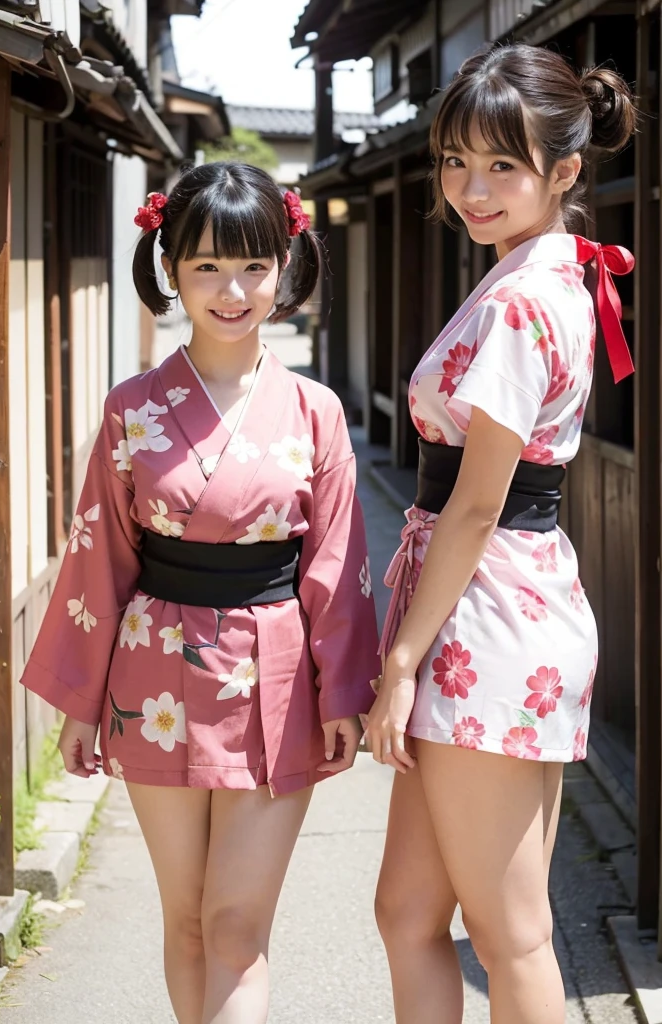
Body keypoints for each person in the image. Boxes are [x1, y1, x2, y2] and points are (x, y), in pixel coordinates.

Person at [21, 162, 380, 1024]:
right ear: (171, 266)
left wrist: (346, 692)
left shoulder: (315, 411)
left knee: (234, 928)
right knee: (184, 923)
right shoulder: (131, 408)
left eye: (255, 264)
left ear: (286, 268)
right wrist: (80, 701)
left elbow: (336, 559)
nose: (233, 288)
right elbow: (99, 555)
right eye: (209, 265)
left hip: (277, 676)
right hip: (153, 679)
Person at [366, 43, 636, 1024]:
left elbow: (476, 502)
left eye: (500, 167)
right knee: (404, 909)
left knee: (509, 930)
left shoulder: (522, 297)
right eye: (453, 162)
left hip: (485, 613)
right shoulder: (532, 273)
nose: (468, 189)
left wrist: (396, 662)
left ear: (563, 172)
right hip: (488, 602)